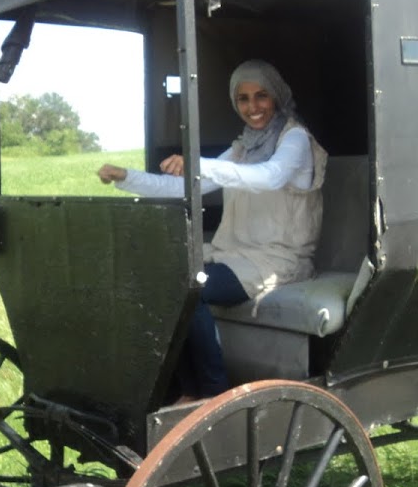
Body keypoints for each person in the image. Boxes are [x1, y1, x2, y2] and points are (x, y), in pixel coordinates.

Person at [98, 59, 327, 404]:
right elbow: (183, 188)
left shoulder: (294, 139)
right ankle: (187, 391)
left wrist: (200, 164)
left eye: (261, 96)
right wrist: (127, 177)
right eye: (243, 99)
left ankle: (213, 392)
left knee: (191, 288)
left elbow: (270, 176)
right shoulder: (242, 147)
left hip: (279, 260)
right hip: (234, 255)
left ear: (277, 96)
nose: (253, 107)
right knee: (157, 279)